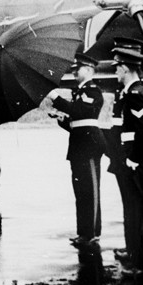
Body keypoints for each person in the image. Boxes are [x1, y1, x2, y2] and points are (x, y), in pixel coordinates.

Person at [46, 53, 106, 247]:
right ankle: (83, 232)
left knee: (91, 191)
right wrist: (62, 120)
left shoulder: (93, 91)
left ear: (88, 70)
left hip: (89, 147)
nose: (74, 71)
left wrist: (54, 96)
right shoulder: (79, 92)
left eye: (77, 68)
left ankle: (93, 232)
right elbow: (76, 122)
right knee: (80, 192)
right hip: (79, 146)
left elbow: (80, 112)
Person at [112, 47, 143, 275]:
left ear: (126, 68)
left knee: (139, 211)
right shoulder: (133, 93)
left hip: (137, 161)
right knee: (133, 209)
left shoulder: (136, 94)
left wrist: (133, 159)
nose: (116, 72)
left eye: (117, 67)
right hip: (136, 159)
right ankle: (135, 254)